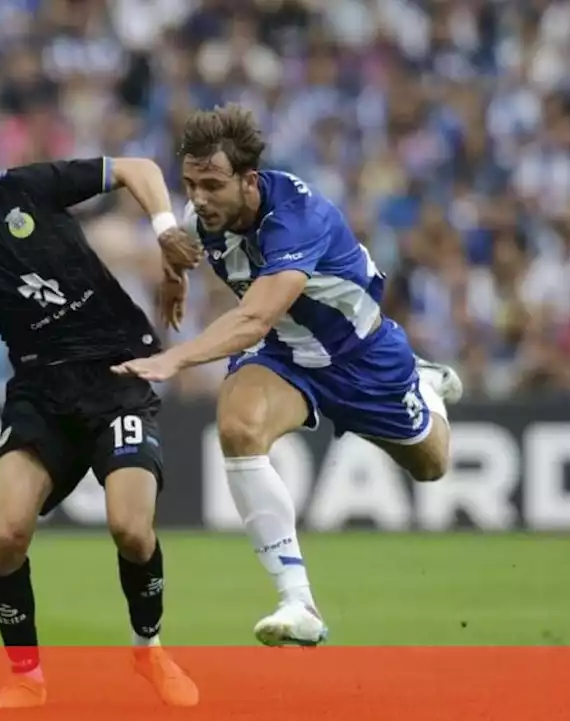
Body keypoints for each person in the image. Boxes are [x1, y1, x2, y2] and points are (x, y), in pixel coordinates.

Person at [113, 104, 464, 646]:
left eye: (211, 184)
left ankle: (426, 384)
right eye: (190, 184)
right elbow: (181, 242)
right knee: (236, 427)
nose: (199, 197)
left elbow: (253, 318)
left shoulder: (298, 218)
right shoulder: (204, 215)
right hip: (284, 357)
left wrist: (174, 359)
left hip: (362, 358)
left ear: (249, 181)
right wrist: (174, 276)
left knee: (432, 466)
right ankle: (298, 601)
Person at [0, 108, 203, 709]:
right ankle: (25, 679)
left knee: (131, 528)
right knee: (7, 533)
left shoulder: (30, 187)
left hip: (120, 372)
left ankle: (148, 649)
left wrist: (167, 231)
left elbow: (139, 168)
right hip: (42, 392)